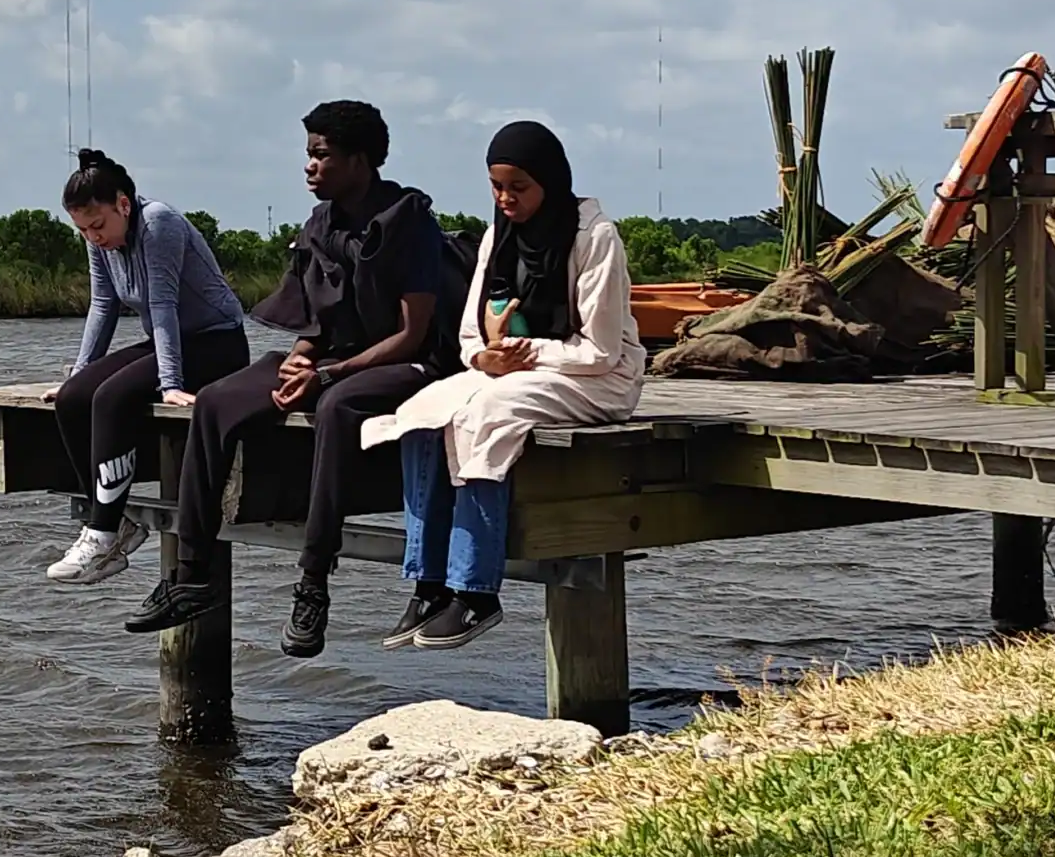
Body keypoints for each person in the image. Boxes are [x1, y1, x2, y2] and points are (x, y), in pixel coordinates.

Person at [124, 100, 454, 658]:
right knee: (216, 402)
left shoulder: (408, 220)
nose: (309, 165)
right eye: (308, 154)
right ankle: (192, 574)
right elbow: (313, 327)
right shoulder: (319, 226)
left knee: (335, 408)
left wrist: (326, 375)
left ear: (360, 160)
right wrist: (300, 362)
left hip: (409, 364)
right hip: (333, 363)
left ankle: (313, 583)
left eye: (321, 155)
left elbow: (412, 332)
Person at [362, 121, 642, 649]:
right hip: (517, 370)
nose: (506, 198)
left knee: (487, 413)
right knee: (422, 410)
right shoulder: (498, 235)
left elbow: (601, 351)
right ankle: (428, 582)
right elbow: (471, 334)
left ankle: (475, 590)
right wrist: (485, 356)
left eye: (519, 187)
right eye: (497, 186)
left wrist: (521, 354)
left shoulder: (595, 237)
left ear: (550, 182)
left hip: (597, 379)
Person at [42, 149, 252, 584]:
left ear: (123, 204)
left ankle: (102, 535)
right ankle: (115, 521)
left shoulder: (159, 223)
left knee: (112, 398)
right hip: (170, 340)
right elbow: (103, 304)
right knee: (75, 398)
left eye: (98, 225)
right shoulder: (100, 241)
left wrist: (170, 383)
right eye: (82, 230)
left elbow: (163, 303)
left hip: (217, 343)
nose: (93, 237)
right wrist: (80, 372)